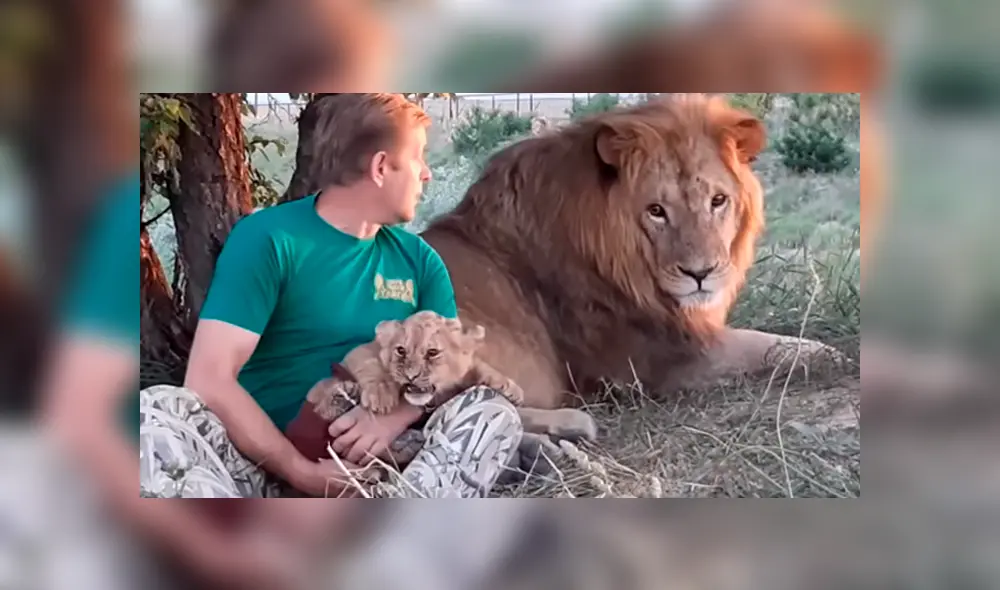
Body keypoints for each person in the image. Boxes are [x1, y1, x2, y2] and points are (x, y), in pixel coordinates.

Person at [141, 93, 523, 499]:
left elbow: (452, 370)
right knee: (155, 411)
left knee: (491, 412)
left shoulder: (419, 261)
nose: (427, 174)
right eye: (418, 159)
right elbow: (209, 379)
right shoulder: (269, 239)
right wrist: (298, 470)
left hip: (385, 474)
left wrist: (390, 418)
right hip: (257, 468)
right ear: (380, 167)